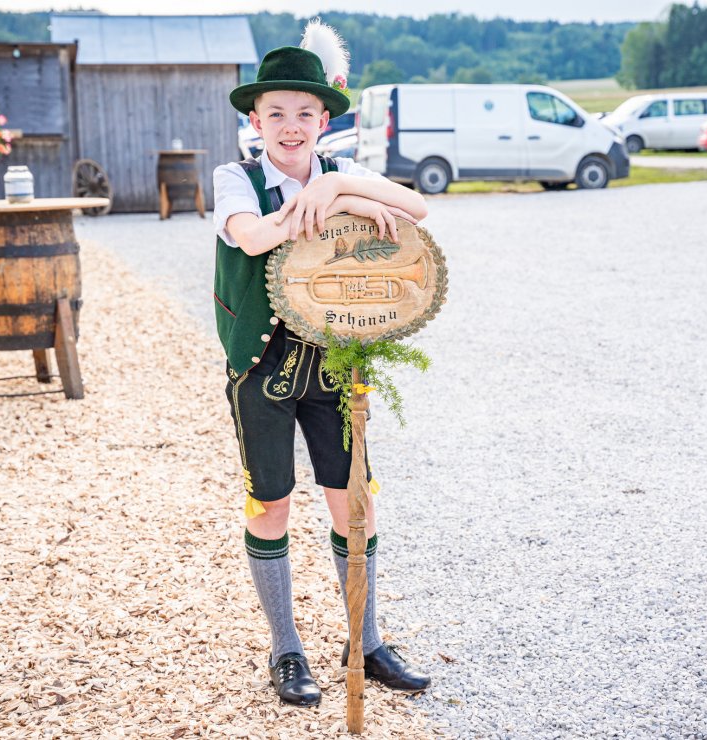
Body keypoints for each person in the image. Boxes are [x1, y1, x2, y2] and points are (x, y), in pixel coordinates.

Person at [212, 20, 431, 707]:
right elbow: (252, 239)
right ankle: (285, 649)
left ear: (323, 120)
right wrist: (310, 200)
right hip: (263, 366)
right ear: (255, 120)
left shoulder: (340, 174)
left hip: (336, 364)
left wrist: (338, 193)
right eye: (276, 112)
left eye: (304, 113)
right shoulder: (236, 178)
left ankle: (365, 641)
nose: (290, 125)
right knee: (272, 504)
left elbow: (418, 206)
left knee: (353, 504)